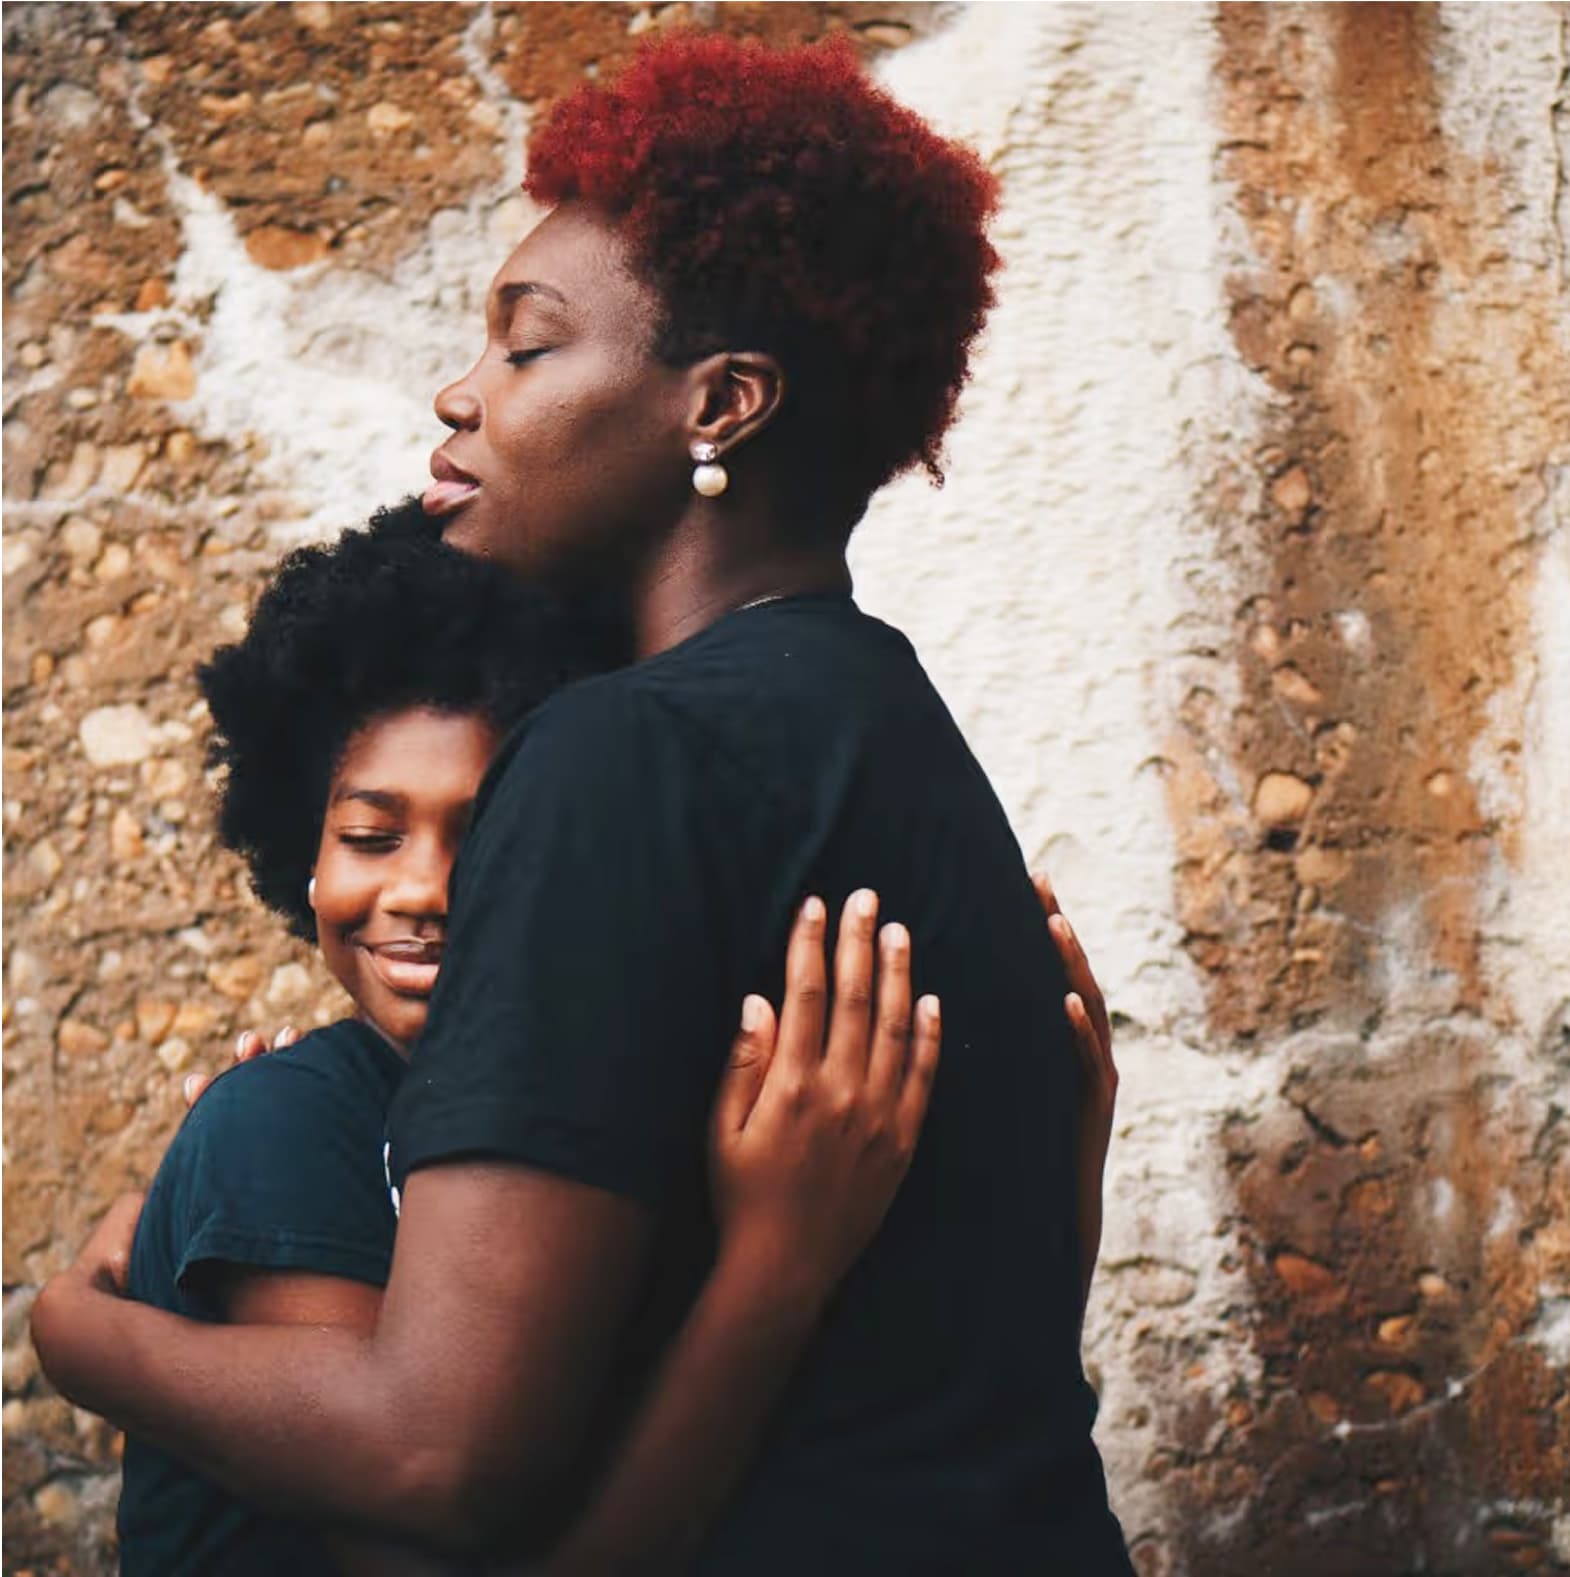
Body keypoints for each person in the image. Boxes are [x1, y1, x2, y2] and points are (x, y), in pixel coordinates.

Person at [34, 30, 1133, 1572]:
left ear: (722, 404)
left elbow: (436, 1453)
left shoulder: (626, 752)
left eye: (528, 347)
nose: (461, 393)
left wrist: (82, 1335)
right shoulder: (892, 730)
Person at [115, 502, 943, 1575]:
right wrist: (774, 1265)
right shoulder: (287, 1119)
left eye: (491, 833)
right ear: (301, 856)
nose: (421, 888)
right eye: (371, 834)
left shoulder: (607, 1120)